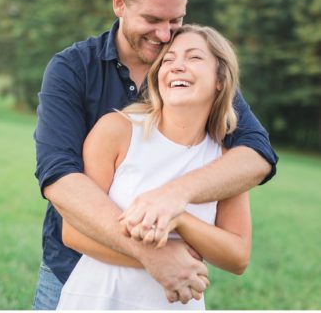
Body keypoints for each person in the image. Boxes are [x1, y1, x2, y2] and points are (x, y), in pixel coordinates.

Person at [33, 0, 277, 309]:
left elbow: (258, 154)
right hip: (74, 271)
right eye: (152, 19)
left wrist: (175, 196)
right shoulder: (73, 69)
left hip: (172, 290)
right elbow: (60, 177)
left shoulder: (191, 76)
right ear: (119, 3)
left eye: (176, 20)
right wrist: (153, 256)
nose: (165, 35)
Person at [58, 24, 251, 309]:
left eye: (194, 58)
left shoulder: (226, 159)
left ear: (220, 79)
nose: (177, 66)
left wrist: (179, 218)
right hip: (98, 299)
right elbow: (73, 232)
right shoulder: (117, 130)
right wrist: (158, 258)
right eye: (168, 59)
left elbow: (237, 257)